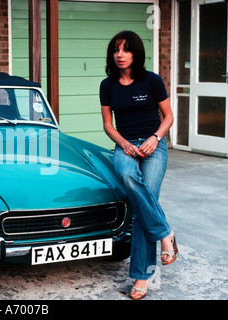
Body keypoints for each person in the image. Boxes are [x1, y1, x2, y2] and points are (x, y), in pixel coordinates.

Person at [99, 31, 178, 300]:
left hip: (154, 145)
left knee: (145, 201)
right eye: (116, 50)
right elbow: (108, 126)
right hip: (126, 145)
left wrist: (155, 139)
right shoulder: (107, 85)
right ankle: (165, 232)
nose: (120, 54)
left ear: (135, 53)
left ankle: (141, 278)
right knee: (128, 177)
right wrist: (124, 144)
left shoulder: (151, 81)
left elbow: (168, 117)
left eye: (126, 50)